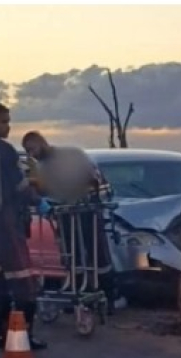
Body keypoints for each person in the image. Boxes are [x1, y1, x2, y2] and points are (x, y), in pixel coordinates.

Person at [21, 131, 117, 312]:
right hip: (64, 214)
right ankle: (78, 293)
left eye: (32, 148)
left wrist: (86, 198)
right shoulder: (41, 167)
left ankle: (107, 295)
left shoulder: (71, 155)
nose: (31, 154)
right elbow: (47, 191)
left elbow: (95, 181)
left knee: (97, 253)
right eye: (27, 151)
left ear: (41, 143)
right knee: (71, 255)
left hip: (86, 210)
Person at [0, 101, 48, 350]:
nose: (8, 128)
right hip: (5, 225)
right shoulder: (4, 151)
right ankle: (23, 337)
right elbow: (20, 187)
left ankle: (1, 336)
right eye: (4, 122)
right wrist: (39, 201)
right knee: (23, 280)